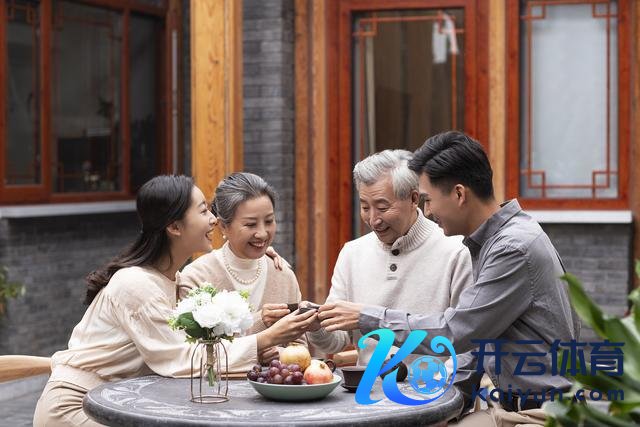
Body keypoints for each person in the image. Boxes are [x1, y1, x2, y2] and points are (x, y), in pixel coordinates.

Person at [318, 132, 580, 426]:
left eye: (428, 200)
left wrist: (368, 317)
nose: (428, 211)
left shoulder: (511, 248)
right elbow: (479, 342)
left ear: (459, 194)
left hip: (537, 414)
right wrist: (442, 402)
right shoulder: (497, 240)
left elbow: (456, 331)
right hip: (508, 407)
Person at [33, 175, 316, 427]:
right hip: (78, 407)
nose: (214, 220)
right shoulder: (135, 284)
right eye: (203, 211)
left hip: (119, 404)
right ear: (175, 227)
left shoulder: (172, 280)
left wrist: (256, 255)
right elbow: (180, 359)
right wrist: (266, 338)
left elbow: (202, 347)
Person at [303, 149, 473, 366]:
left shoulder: (456, 251)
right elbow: (335, 341)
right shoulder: (352, 253)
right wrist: (316, 326)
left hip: (434, 385)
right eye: (365, 207)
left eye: (383, 207)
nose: (373, 220)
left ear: (413, 199)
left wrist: (440, 384)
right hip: (367, 386)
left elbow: (467, 341)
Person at [180, 172, 308, 365]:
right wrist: (260, 323)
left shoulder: (283, 274)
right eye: (250, 224)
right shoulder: (196, 277)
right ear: (223, 226)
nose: (262, 233)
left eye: (269, 221)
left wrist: (281, 354)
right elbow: (192, 354)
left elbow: (300, 346)